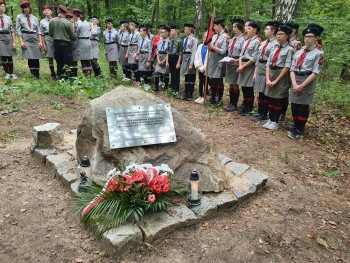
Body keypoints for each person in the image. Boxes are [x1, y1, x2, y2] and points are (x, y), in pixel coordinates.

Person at [287, 25, 324, 139]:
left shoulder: (318, 53)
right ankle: (295, 124)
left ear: (316, 38)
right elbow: (292, 68)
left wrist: (301, 85)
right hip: (295, 79)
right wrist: (294, 84)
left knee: (303, 106)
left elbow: (315, 72)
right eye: (305, 36)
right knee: (294, 105)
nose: (307, 39)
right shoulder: (299, 50)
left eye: (310, 36)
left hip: (306, 80)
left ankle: (300, 127)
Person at [263, 25, 294, 130]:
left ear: (287, 36)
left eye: (281, 34)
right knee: (270, 98)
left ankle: (275, 121)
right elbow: (268, 64)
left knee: (278, 98)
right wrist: (267, 78)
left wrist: (276, 80)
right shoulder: (274, 48)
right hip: (271, 72)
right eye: (277, 34)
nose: (278, 36)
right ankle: (270, 119)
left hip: (281, 75)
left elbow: (287, 66)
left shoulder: (290, 49)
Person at [251, 21, 280, 120]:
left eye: (267, 29)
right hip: (260, 67)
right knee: (260, 92)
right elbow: (258, 57)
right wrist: (255, 71)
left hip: (268, 69)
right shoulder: (263, 42)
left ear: (273, 31)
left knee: (266, 92)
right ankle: (260, 112)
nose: (265, 31)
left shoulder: (276, 44)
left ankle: (264, 113)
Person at [236, 21, 260, 115]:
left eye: (249, 29)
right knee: (243, 87)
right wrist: (240, 65)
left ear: (255, 30)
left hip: (249, 66)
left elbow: (254, 57)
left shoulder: (257, 42)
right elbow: (241, 54)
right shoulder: (246, 41)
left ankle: (249, 107)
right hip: (243, 65)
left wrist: (243, 66)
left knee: (249, 87)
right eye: (247, 28)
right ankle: (245, 104)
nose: (247, 30)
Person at [48, 5, 76, 79]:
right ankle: (69, 76)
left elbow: (50, 34)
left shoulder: (51, 21)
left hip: (56, 43)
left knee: (59, 61)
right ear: (65, 13)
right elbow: (73, 36)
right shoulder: (68, 23)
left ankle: (60, 76)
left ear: (58, 12)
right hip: (66, 44)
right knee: (68, 61)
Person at [16, 0, 41, 79]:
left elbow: (38, 30)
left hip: (34, 37)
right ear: (22, 9)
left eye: (28, 7)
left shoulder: (34, 18)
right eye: (25, 8)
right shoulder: (19, 17)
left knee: (36, 56)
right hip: (25, 36)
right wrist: (21, 41)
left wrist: (40, 41)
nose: (27, 9)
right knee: (30, 56)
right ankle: (33, 73)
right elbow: (18, 30)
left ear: (30, 8)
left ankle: (37, 74)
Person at [224, 18, 245, 111]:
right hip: (230, 62)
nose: (233, 28)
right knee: (231, 84)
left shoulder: (243, 40)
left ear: (239, 27)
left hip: (236, 63)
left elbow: (243, 54)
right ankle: (231, 102)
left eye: (234, 27)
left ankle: (234, 103)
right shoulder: (232, 39)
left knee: (235, 84)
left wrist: (236, 61)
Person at [206, 18, 228, 106]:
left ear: (219, 26)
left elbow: (223, 51)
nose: (214, 28)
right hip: (213, 59)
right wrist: (209, 47)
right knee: (213, 79)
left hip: (220, 60)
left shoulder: (225, 37)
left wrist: (212, 47)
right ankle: (213, 97)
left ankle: (219, 98)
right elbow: (211, 48)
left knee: (219, 79)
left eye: (215, 26)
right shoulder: (214, 36)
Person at [181, 23, 198, 100]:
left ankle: (190, 93)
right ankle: (186, 91)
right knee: (186, 75)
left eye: (186, 29)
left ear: (190, 30)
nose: (184, 30)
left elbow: (194, 51)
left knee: (191, 75)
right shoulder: (185, 39)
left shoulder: (194, 39)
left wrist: (191, 63)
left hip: (190, 57)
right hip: (185, 57)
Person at [0, 0, 17, 79]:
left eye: (3, 6)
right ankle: (6, 73)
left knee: (10, 55)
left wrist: (14, 42)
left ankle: (11, 73)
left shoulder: (8, 18)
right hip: (0, 37)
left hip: (8, 37)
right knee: (3, 56)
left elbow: (12, 30)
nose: (3, 7)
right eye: (1, 6)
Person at [73, 8, 92, 76]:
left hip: (82, 42)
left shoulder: (78, 23)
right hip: (88, 41)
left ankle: (86, 75)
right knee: (87, 60)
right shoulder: (86, 22)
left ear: (75, 15)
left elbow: (76, 34)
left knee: (83, 60)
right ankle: (89, 75)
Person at [39, 4, 56, 79]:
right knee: (50, 57)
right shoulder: (42, 22)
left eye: (48, 10)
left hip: (55, 38)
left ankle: (60, 72)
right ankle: (53, 74)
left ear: (51, 11)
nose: (47, 11)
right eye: (45, 10)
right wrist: (43, 44)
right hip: (47, 38)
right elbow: (41, 33)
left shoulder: (55, 20)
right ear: (43, 12)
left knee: (58, 56)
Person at [134, 24, 152, 90]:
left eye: (141, 31)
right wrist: (137, 54)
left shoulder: (148, 41)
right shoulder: (140, 39)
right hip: (141, 55)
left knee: (146, 70)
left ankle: (148, 84)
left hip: (146, 56)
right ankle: (145, 83)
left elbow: (150, 51)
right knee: (141, 70)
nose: (140, 32)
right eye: (140, 31)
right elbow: (139, 48)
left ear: (145, 32)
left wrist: (148, 61)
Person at [154, 26, 170, 93]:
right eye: (161, 33)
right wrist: (158, 59)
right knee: (156, 72)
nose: (162, 34)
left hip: (165, 57)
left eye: (163, 32)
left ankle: (166, 86)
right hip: (159, 57)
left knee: (165, 73)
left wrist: (164, 61)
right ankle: (156, 87)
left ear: (167, 33)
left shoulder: (169, 41)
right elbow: (157, 50)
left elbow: (168, 52)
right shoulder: (160, 41)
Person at [168, 25, 183, 95]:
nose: (171, 32)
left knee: (176, 74)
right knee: (172, 73)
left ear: (177, 31)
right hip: (170, 57)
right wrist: (167, 61)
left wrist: (178, 63)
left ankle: (176, 89)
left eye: (172, 30)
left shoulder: (179, 41)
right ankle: (172, 87)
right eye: (170, 30)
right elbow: (168, 51)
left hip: (176, 57)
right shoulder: (170, 40)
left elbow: (180, 53)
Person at [126, 20, 140, 86]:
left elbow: (139, 44)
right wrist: (127, 53)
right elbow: (129, 44)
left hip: (135, 48)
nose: (130, 26)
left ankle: (138, 80)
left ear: (135, 26)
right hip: (131, 48)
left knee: (134, 64)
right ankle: (136, 79)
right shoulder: (130, 34)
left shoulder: (138, 34)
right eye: (129, 25)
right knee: (131, 64)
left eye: (131, 25)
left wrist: (137, 53)